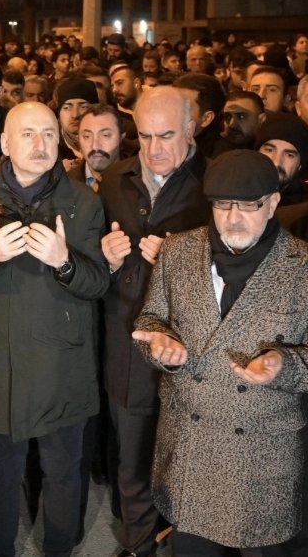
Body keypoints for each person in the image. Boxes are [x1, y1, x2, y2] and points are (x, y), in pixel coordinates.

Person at [132, 149, 308, 556]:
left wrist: (283, 364)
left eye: (249, 206)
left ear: (273, 203)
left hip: (262, 453)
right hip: (190, 446)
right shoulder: (178, 252)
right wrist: (161, 349)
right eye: (222, 205)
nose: (233, 218)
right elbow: (150, 320)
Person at [0, 101, 109, 557]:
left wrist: (65, 262)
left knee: (62, 472)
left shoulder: (83, 200)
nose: (40, 145)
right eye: (28, 134)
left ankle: (59, 548)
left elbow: (98, 283)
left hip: (63, 364)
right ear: (5, 143)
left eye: (49, 134)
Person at [97, 86, 210, 557]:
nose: (153, 149)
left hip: (193, 348)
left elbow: (242, 267)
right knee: (133, 457)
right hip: (127, 343)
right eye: (143, 136)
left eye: (165, 135)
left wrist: (179, 262)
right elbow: (88, 259)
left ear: (192, 127)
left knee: (191, 459)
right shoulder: (114, 179)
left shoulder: (214, 182)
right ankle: (139, 544)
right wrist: (102, 257)